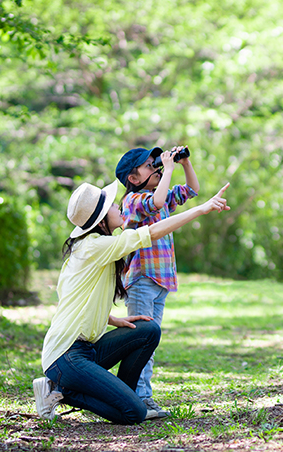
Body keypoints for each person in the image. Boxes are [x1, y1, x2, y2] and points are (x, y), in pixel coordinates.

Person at [33, 179, 229, 424]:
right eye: (113, 206)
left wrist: (114, 319)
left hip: (86, 350)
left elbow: (75, 299)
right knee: (133, 413)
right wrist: (202, 208)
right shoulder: (95, 246)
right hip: (65, 357)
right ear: (101, 219)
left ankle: (124, 394)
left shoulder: (94, 248)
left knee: (147, 330)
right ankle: (60, 392)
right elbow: (154, 231)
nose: (119, 207)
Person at [112, 145, 199, 414]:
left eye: (156, 163)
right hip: (141, 281)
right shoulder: (133, 201)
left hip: (160, 283)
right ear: (134, 178)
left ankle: (141, 395)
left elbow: (192, 190)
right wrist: (169, 169)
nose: (157, 168)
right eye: (150, 166)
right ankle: (140, 396)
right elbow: (157, 203)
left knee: (150, 343)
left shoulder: (156, 194)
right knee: (141, 342)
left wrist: (184, 164)